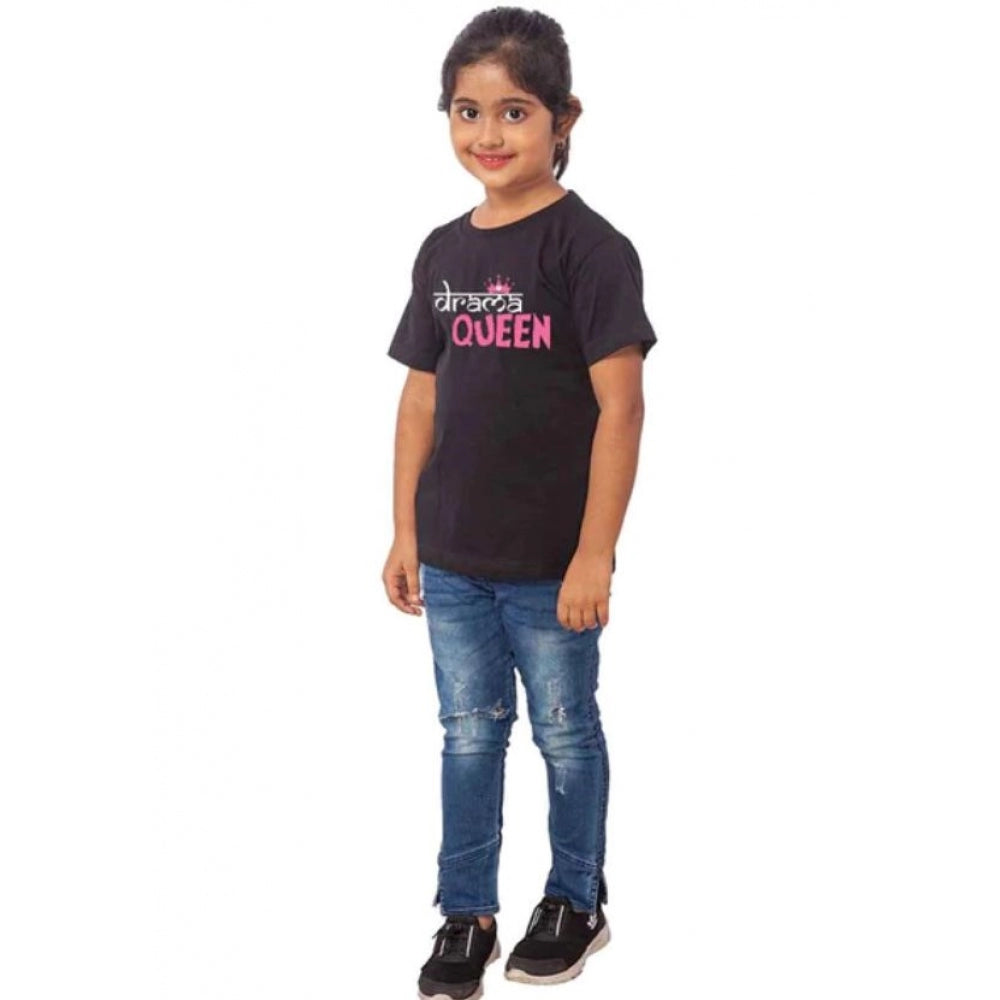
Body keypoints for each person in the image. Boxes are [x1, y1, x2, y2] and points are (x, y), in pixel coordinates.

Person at [382, 8, 657, 998]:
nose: (487, 134)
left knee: (565, 729)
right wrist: (406, 530)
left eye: (513, 111)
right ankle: (466, 913)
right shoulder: (442, 252)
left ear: (562, 118)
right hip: (454, 557)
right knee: (468, 732)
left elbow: (621, 407)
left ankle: (575, 898)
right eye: (467, 111)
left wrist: (594, 554)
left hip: (550, 564)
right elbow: (420, 397)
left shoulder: (590, 249)